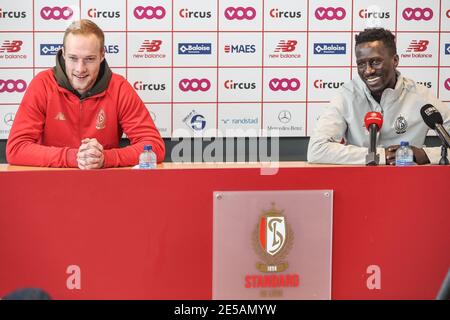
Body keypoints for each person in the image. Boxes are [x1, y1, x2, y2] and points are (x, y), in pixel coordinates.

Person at [6, 19, 165, 169]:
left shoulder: (119, 87)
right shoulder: (43, 84)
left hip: (104, 186)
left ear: (102, 55)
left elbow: (154, 146)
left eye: (89, 59)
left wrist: (105, 159)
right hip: (51, 184)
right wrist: (74, 157)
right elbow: (16, 149)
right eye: (73, 58)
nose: (80, 68)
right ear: (63, 54)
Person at [307, 28, 450, 165]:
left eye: (375, 62)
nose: (368, 71)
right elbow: (317, 150)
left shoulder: (421, 96)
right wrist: (381, 156)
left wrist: (425, 155)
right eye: (361, 64)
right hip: (359, 182)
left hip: (409, 182)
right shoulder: (347, 95)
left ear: (395, 60)